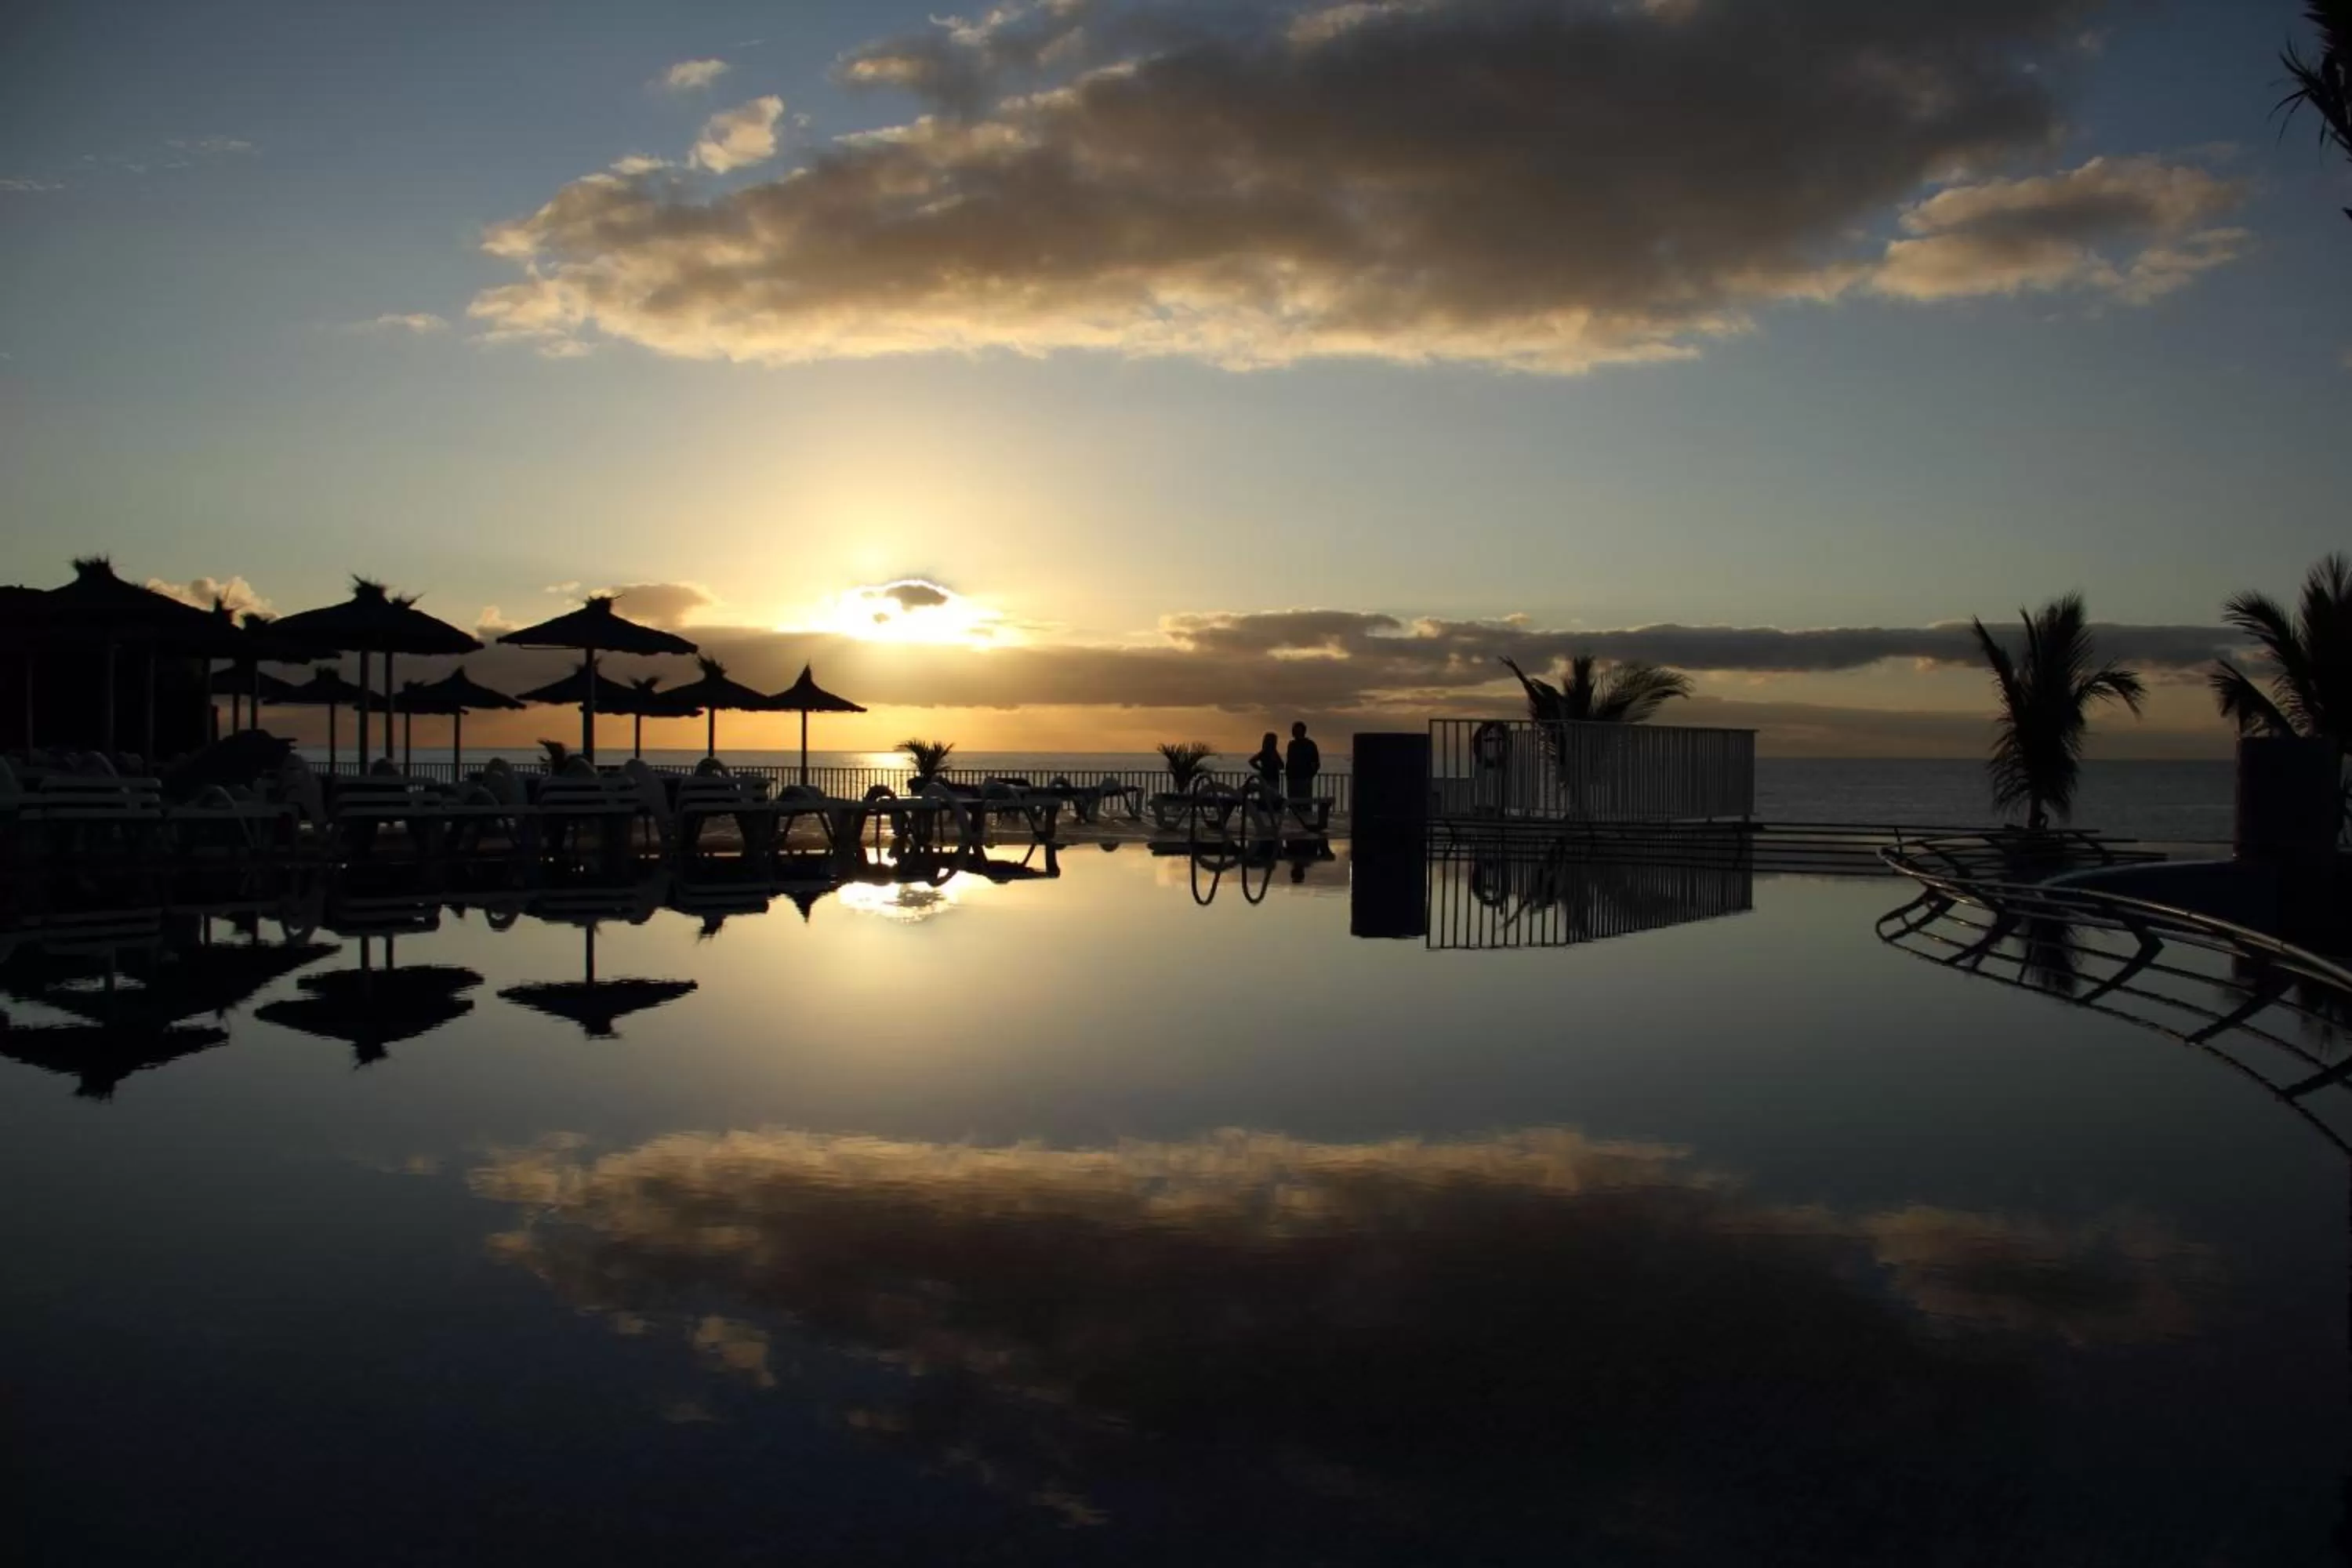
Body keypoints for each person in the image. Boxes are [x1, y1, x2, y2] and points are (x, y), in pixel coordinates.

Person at [1284, 720, 1320, 804]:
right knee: (1293, 803)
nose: (1297, 733)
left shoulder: (1310, 745)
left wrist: (1309, 775)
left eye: (1299, 731)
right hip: (1293, 780)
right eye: (1295, 731)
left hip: (1304, 780)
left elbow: (1316, 762)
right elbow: (1289, 761)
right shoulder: (1291, 745)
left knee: (1305, 802)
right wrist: (1288, 774)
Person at [1249, 731, 1283, 797]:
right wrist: (1261, 769)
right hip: (1271, 778)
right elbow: (1282, 766)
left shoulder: (1270, 752)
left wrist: (1261, 769)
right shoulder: (1268, 753)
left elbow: (1252, 761)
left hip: (1270, 778)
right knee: (1271, 796)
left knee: (1267, 796)